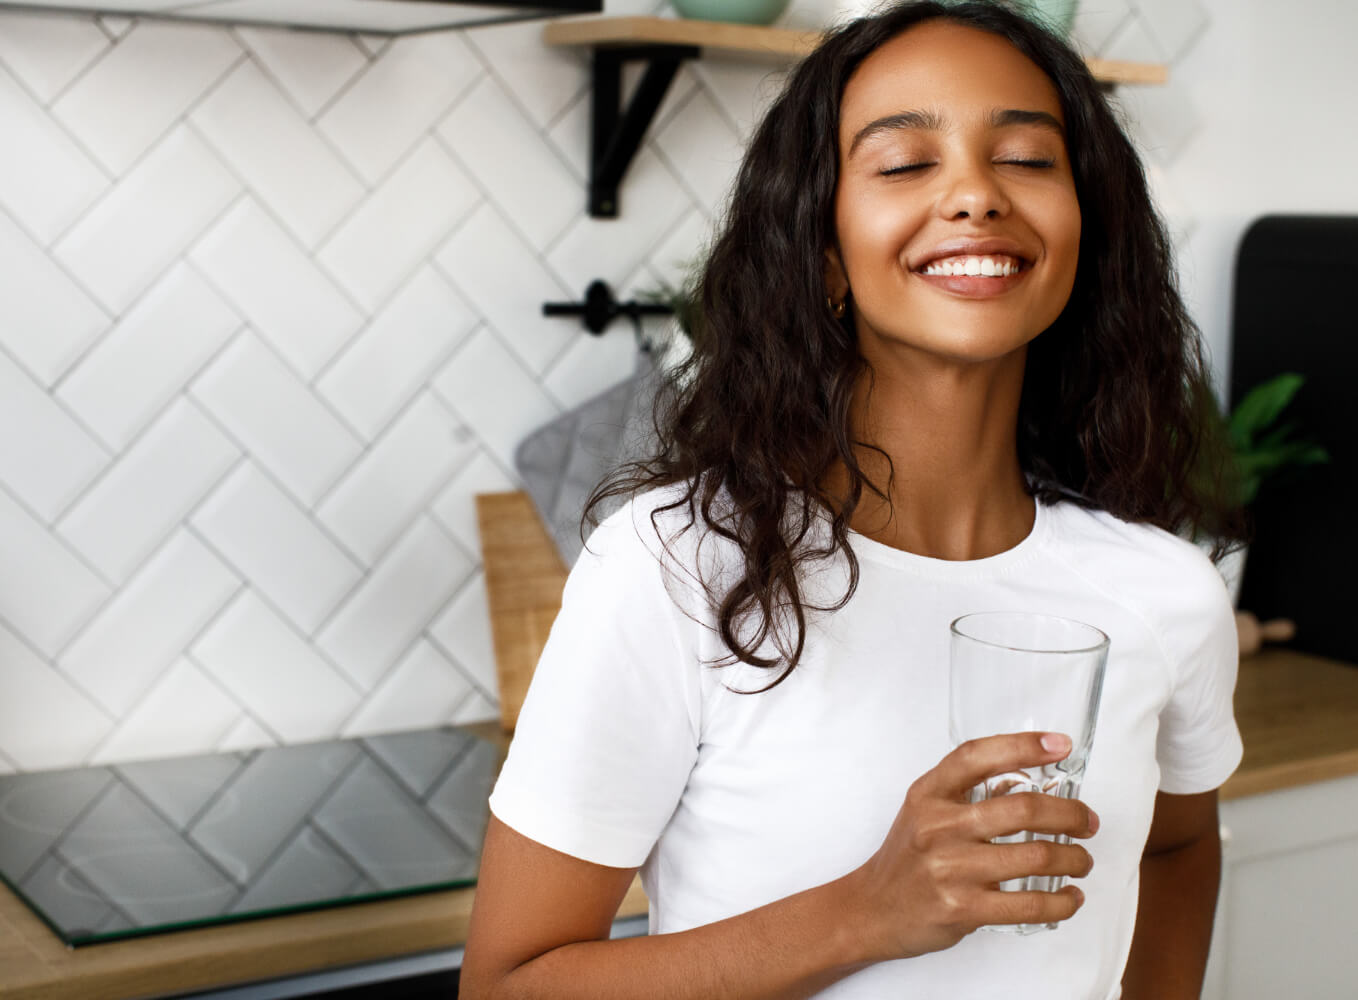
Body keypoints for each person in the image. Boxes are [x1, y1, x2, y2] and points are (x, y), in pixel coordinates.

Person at [459, 2, 1245, 997]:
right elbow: (504, 987)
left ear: (1084, 231)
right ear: (825, 252)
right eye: (907, 163)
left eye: (1027, 158)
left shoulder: (1164, 591)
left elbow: (1177, 849)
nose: (974, 193)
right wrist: (867, 912)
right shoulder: (677, 568)